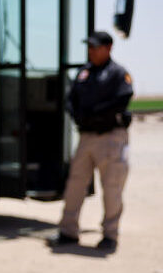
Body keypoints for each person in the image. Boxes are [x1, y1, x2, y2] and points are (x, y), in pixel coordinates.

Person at [49, 31, 133, 252]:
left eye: (96, 47)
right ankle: (68, 231)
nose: (92, 51)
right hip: (87, 137)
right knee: (75, 185)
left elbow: (122, 99)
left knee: (112, 187)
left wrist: (96, 113)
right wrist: (79, 115)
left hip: (110, 137)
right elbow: (71, 99)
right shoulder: (84, 73)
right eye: (90, 47)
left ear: (108, 48)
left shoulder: (117, 73)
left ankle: (110, 235)